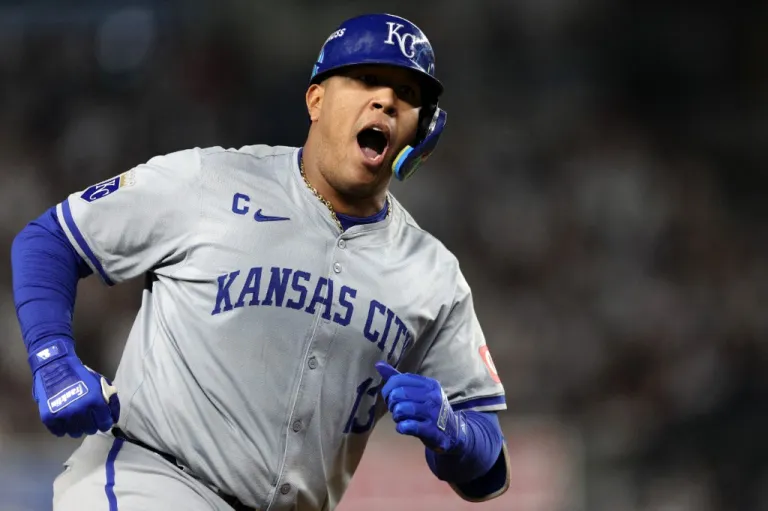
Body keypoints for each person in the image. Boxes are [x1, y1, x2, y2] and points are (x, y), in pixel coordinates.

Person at [11, 13, 510, 511]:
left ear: (423, 129)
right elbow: (50, 240)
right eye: (366, 79)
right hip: (152, 480)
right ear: (316, 100)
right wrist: (53, 361)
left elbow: (490, 470)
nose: (386, 100)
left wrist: (456, 434)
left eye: (407, 92)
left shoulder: (433, 275)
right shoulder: (210, 180)